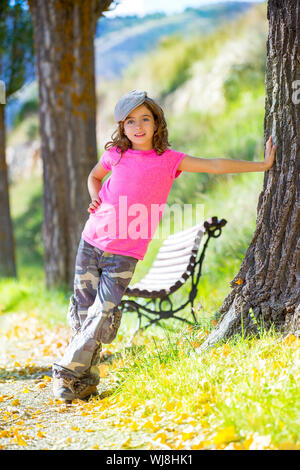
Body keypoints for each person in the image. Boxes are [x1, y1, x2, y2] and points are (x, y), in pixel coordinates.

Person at [52, 90, 276, 402]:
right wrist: (95, 196)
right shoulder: (116, 154)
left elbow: (215, 166)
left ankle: (64, 372)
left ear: (157, 123)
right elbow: (94, 176)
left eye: (145, 119)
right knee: (84, 312)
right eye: (130, 121)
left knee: (102, 313)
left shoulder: (169, 160)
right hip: (91, 241)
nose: (138, 126)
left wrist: (263, 165)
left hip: (124, 254)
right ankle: (86, 379)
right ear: (122, 126)